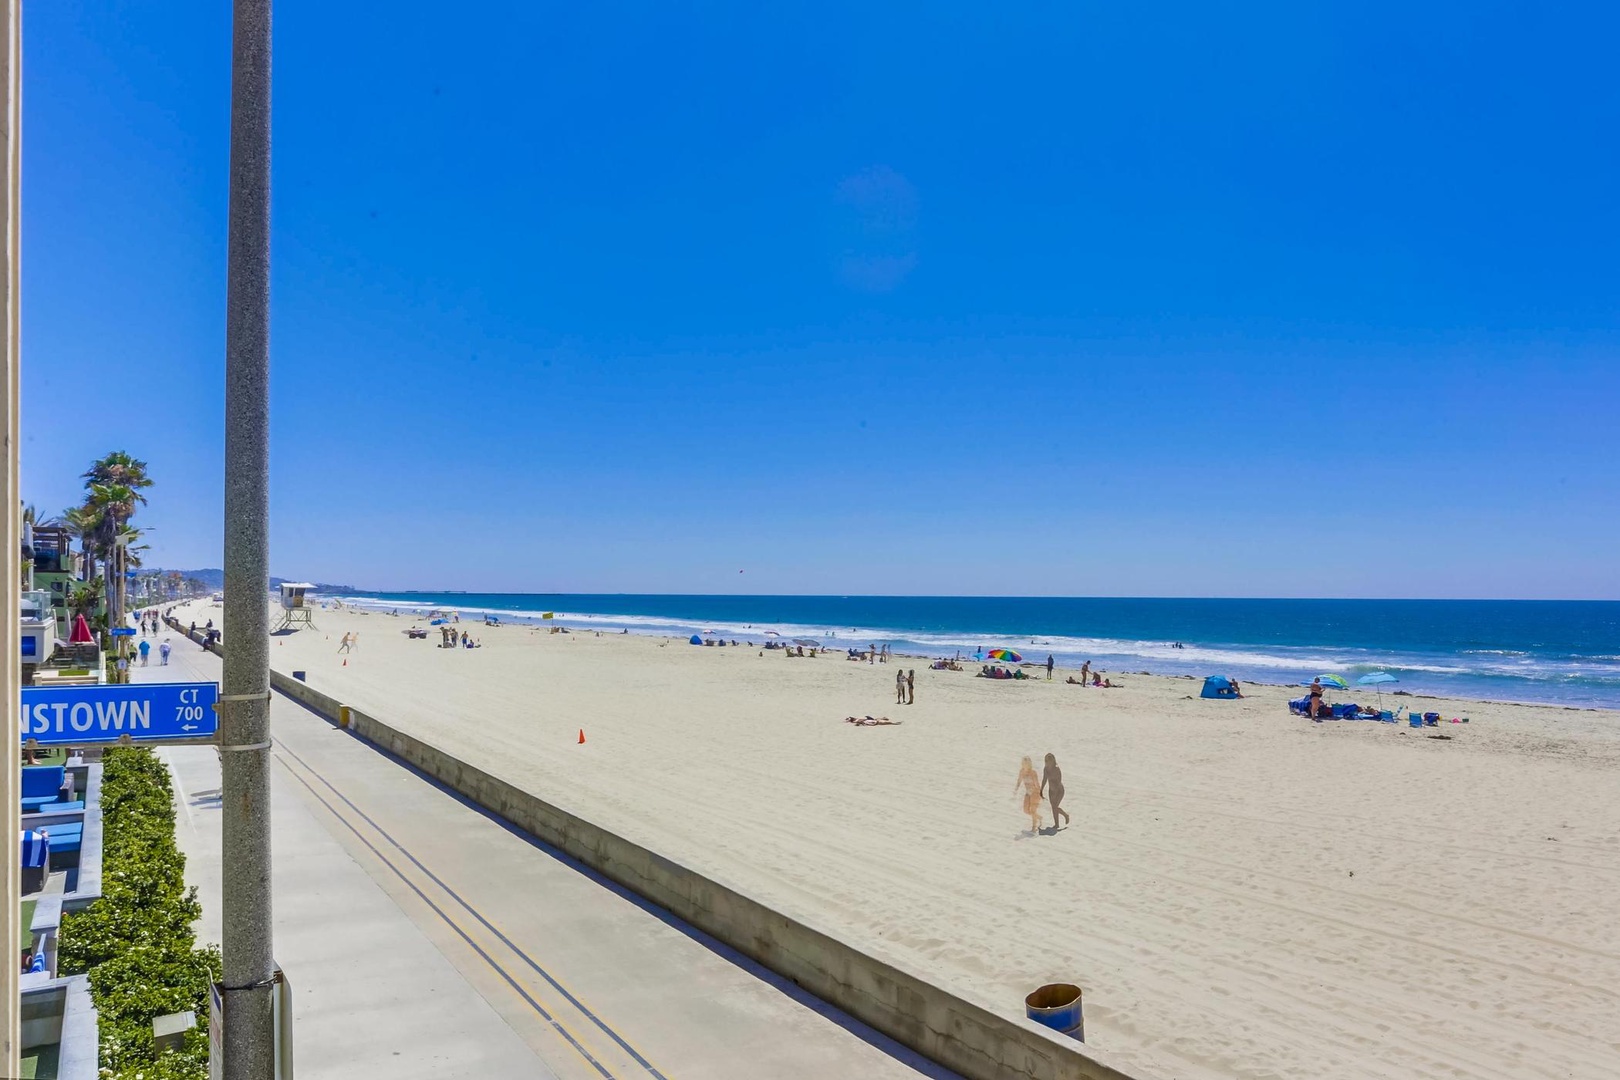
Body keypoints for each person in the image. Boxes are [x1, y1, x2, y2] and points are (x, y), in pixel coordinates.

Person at [1041, 753, 1071, 829]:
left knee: (1055, 807)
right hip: (1051, 791)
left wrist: (1055, 792)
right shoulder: (1045, 769)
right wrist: (1041, 789)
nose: (1047, 762)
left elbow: (1058, 782)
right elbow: (1044, 779)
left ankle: (1065, 815)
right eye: (1046, 761)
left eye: (1048, 761)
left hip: (1059, 791)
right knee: (1053, 808)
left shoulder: (1056, 769)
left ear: (1053, 761)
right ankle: (1056, 824)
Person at [1014, 757, 1043, 834]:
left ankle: (1034, 828)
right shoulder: (1021, 771)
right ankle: (1039, 817)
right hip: (1028, 793)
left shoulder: (1033, 773)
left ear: (1030, 764)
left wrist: (1040, 794)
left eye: (1027, 763)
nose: (1025, 765)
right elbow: (1019, 781)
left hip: (1035, 793)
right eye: (1024, 763)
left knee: (1033, 811)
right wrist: (1016, 789)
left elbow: (1037, 784)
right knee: (1026, 810)